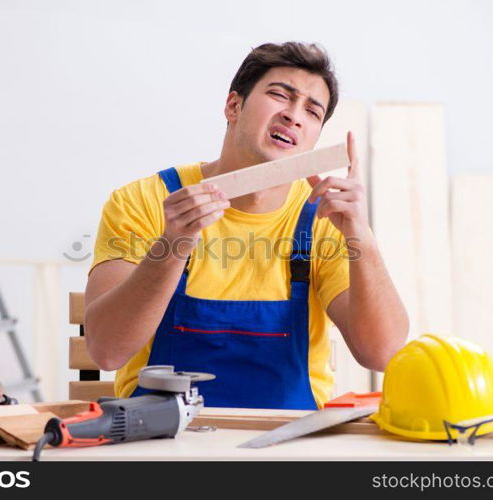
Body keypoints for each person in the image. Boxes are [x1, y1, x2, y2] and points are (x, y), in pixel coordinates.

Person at [84, 42, 408, 409]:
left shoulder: (324, 217)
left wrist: (361, 238)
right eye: (280, 96)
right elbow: (106, 351)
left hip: (286, 442)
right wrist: (172, 245)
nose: (294, 116)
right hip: (165, 440)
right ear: (233, 106)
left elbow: (383, 353)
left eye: (312, 111)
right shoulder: (143, 202)